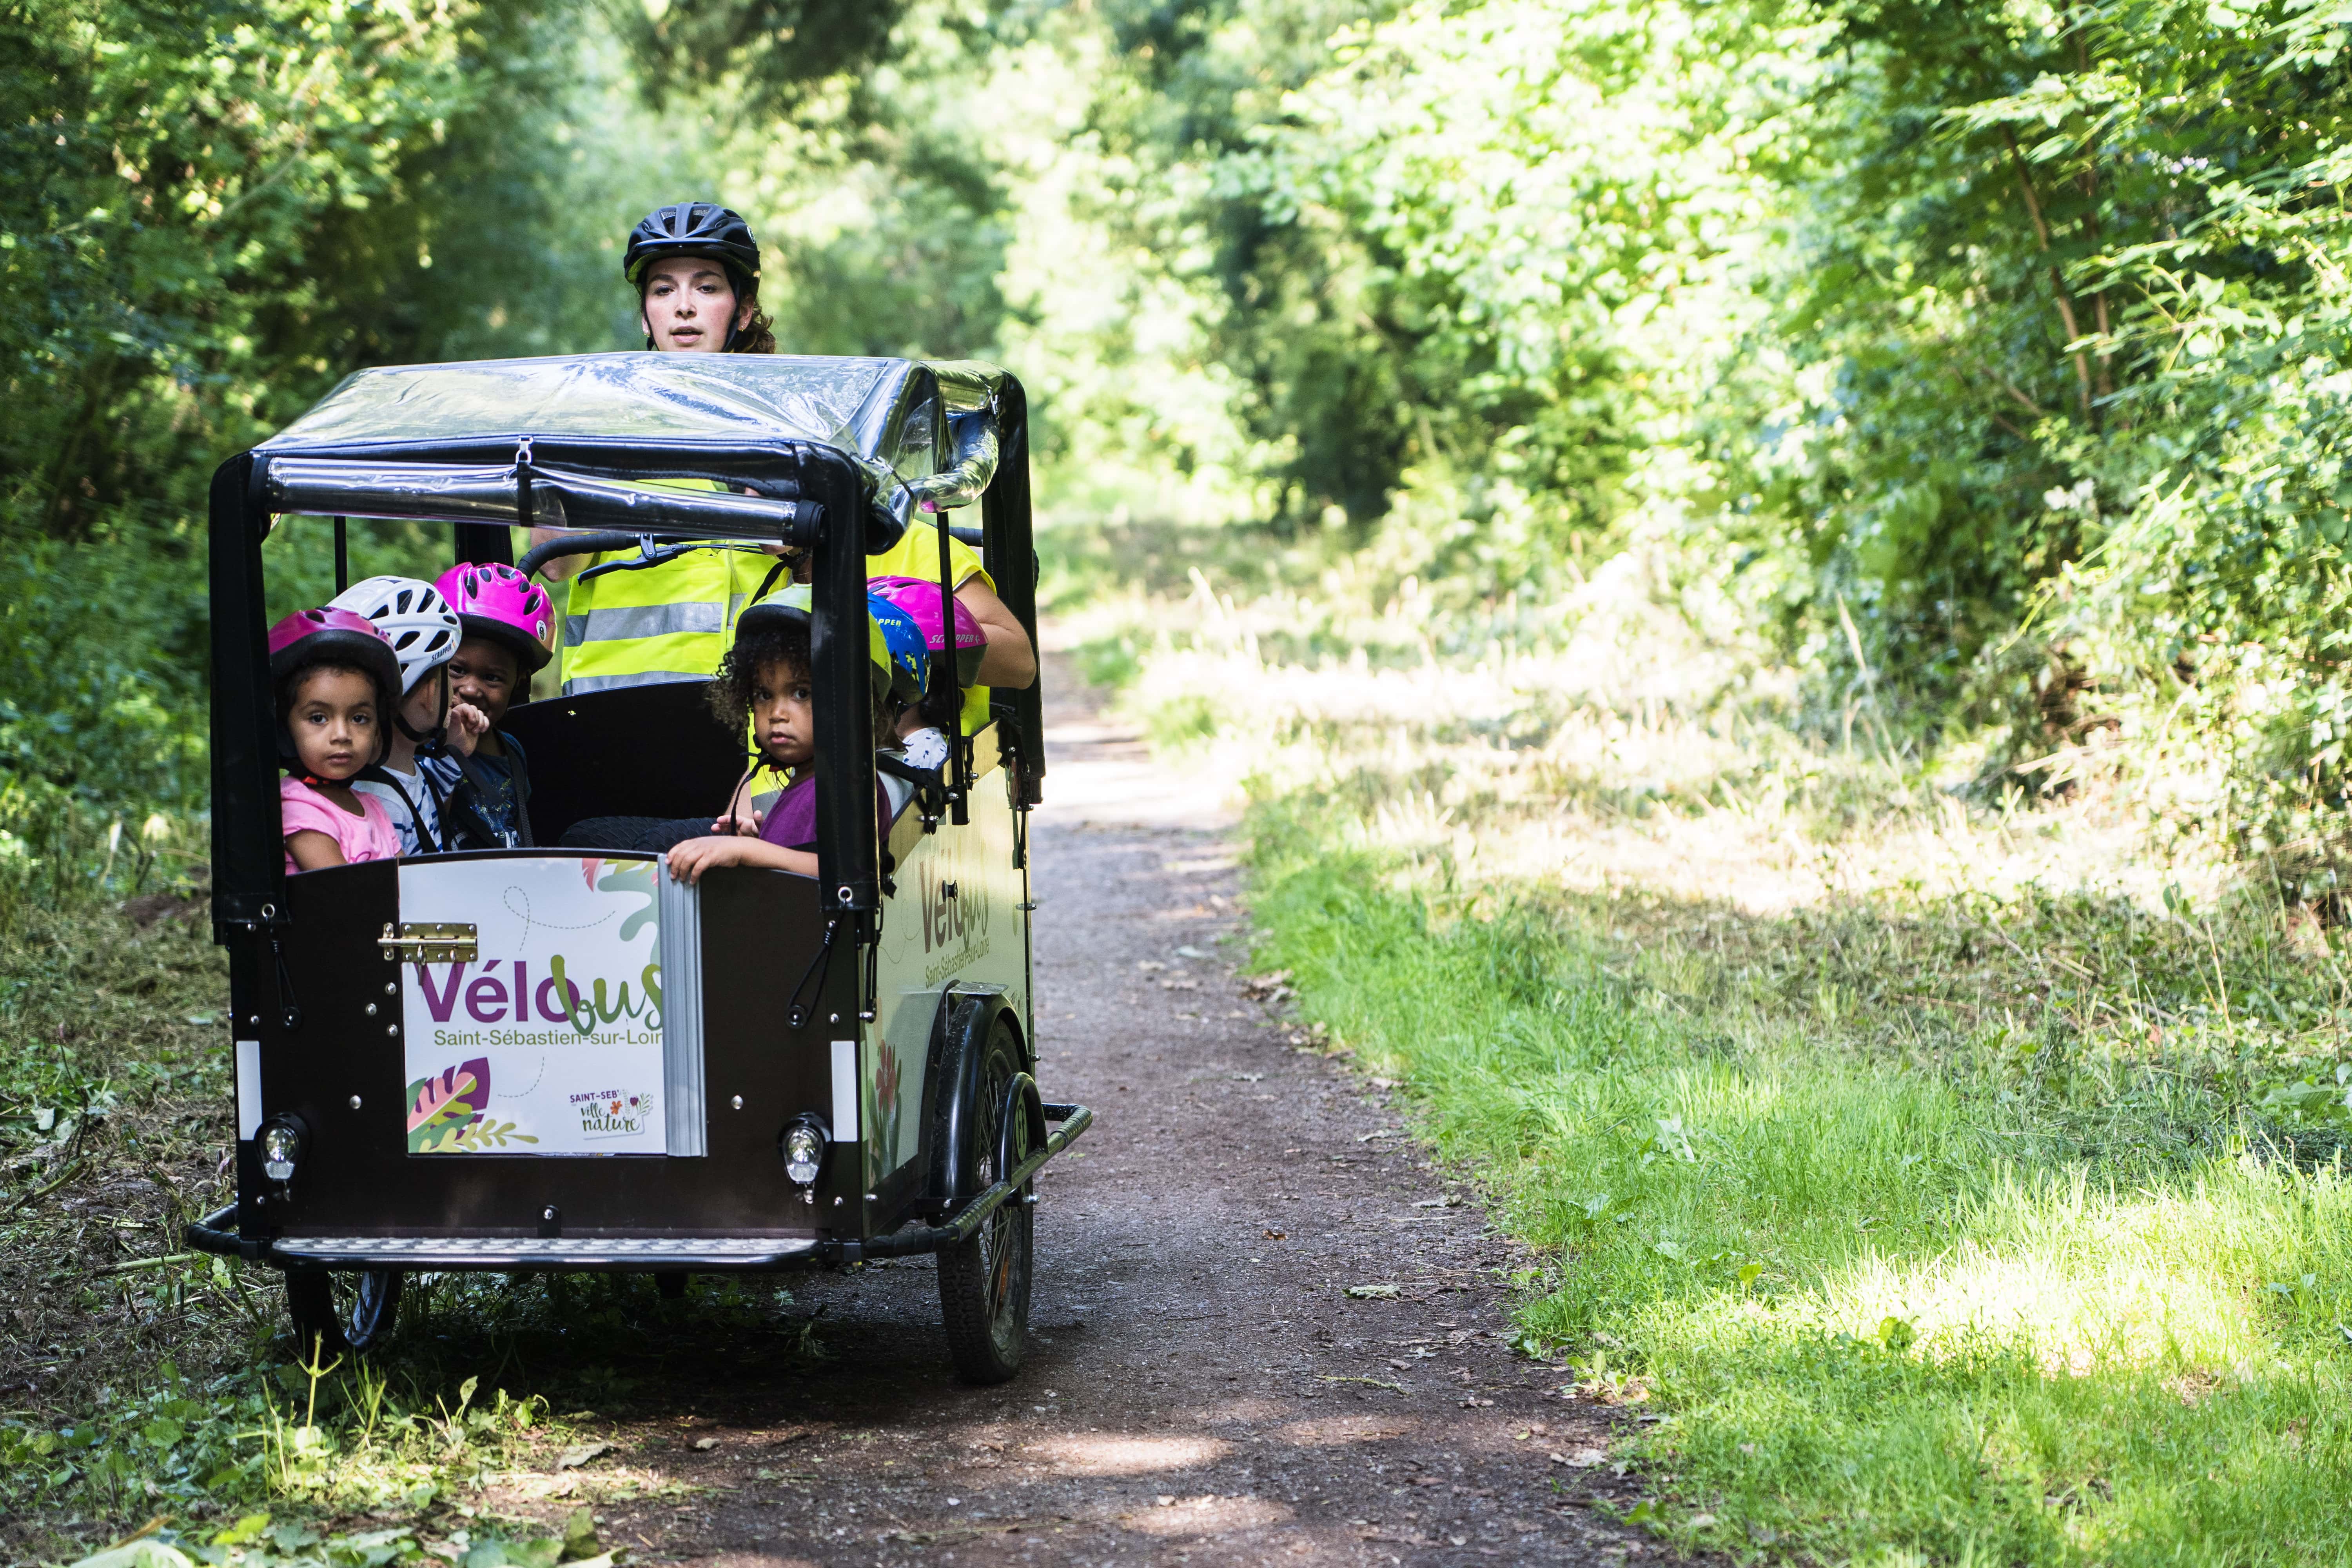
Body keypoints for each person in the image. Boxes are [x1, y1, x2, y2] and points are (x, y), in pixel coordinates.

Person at [532, 200, 1036, 707]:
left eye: (706, 288)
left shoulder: (802, 441)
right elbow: (552, 561)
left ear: (744, 311)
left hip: (764, 745)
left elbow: (850, 559)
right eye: (663, 290)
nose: (683, 306)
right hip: (613, 730)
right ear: (645, 316)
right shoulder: (606, 432)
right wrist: (602, 443)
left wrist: (805, 546)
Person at [668, 586, 916, 884]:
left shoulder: (848, 783)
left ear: (852, 699)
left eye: (801, 693)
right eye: (763, 695)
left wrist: (749, 852)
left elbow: (850, 876)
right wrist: (761, 845)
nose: (777, 713)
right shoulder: (808, 780)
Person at [328, 574, 486, 853]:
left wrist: (456, 749)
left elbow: (428, 794)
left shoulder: (401, 774)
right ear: (429, 692)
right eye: (448, 673)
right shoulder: (382, 803)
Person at [427, 562, 553, 848]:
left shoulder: (511, 751)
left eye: (492, 678)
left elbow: (521, 831)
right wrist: (452, 752)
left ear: (518, 683)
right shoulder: (421, 747)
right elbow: (429, 830)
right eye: (457, 670)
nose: (471, 689)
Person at [270, 608, 403, 873]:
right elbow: (343, 892)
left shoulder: (372, 806)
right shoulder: (296, 805)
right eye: (319, 718)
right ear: (285, 729)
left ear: (379, 731)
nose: (342, 735)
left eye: (359, 719)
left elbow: (410, 882)